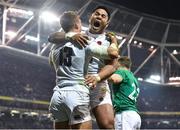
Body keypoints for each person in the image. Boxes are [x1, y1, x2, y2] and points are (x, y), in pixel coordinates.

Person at [48, 6, 118, 129]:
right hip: (78, 83)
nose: (99, 17)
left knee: (107, 125)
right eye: (96, 14)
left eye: (103, 16)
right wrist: (70, 36)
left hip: (97, 84)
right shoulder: (78, 33)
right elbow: (52, 37)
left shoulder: (108, 40)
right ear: (90, 17)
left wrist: (97, 77)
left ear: (107, 23)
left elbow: (113, 65)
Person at [109, 56, 141, 130]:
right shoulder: (133, 78)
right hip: (134, 115)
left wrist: (102, 75)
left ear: (119, 64)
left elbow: (114, 79)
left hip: (125, 114)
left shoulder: (122, 71)